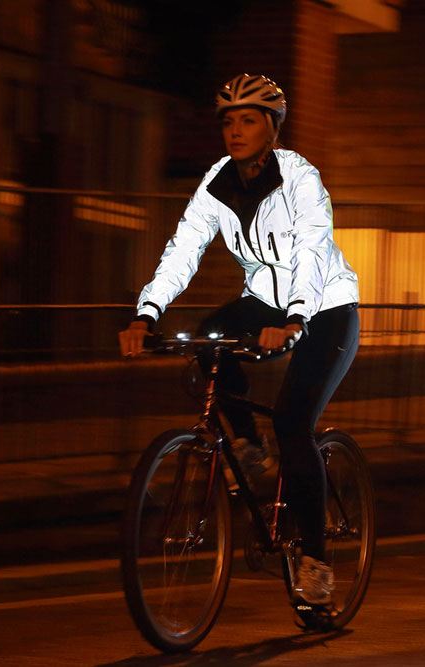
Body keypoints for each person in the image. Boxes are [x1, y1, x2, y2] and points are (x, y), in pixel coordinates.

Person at [118, 73, 360, 607]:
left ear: (272, 128)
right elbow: (183, 248)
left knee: (295, 423)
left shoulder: (300, 177)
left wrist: (296, 318)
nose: (235, 130)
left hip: (325, 305)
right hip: (264, 302)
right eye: (228, 121)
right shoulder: (217, 181)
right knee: (206, 339)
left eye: (248, 119)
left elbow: (313, 249)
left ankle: (316, 561)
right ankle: (249, 447)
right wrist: (145, 314)